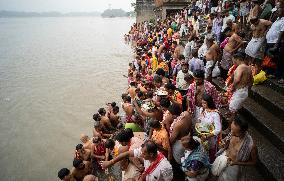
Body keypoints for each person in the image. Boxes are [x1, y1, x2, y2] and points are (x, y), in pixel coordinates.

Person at [101, 140, 173, 181]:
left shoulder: (165, 167)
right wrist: (110, 162)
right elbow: (127, 153)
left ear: (151, 154)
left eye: (144, 154)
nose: (141, 155)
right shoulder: (145, 152)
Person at [197, 94, 222, 163]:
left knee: (211, 150)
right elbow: (200, 120)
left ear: (209, 102)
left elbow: (218, 129)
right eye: (202, 103)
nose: (203, 105)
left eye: (204, 103)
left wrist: (207, 136)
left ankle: (211, 162)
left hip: (211, 137)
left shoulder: (215, 114)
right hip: (202, 133)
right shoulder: (202, 109)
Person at [229, 52, 253, 117]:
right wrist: (248, 89)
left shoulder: (240, 67)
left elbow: (237, 79)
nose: (233, 61)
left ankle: (230, 125)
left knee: (233, 108)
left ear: (237, 59)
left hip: (239, 90)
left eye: (233, 60)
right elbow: (251, 81)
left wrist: (232, 87)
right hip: (244, 90)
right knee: (235, 107)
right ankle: (232, 117)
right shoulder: (248, 68)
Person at [265, 4, 284, 83]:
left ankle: (282, 76)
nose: (277, 12)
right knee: (277, 59)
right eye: (277, 11)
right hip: (270, 41)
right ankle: (276, 73)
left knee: (281, 59)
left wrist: (276, 44)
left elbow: (281, 32)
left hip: (278, 42)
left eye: (279, 11)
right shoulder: (277, 19)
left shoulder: (283, 20)